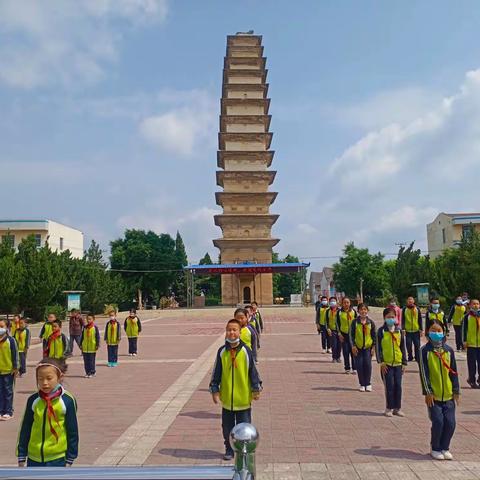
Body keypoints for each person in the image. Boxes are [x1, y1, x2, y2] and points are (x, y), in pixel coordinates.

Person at [209, 319, 262, 461]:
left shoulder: (246, 351)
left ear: (240, 332)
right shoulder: (222, 352)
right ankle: (229, 448)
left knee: (244, 428)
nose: (231, 333)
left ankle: (243, 449)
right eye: (229, 330)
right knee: (227, 427)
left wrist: (256, 388)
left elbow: (253, 372)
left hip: (243, 398)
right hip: (227, 400)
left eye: (234, 330)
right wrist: (215, 389)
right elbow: (216, 373)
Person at [17, 357, 79, 467]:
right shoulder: (33, 400)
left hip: (58, 458)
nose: (44, 383)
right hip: (34, 458)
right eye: (40, 379)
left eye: (49, 378)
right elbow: (25, 428)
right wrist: (21, 455)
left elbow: (72, 431)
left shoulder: (67, 401)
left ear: (60, 378)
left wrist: (70, 457)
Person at [419, 323, 459, 460]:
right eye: (433, 330)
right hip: (434, 395)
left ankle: (445, 447)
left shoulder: (449, 350)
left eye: (439, 330)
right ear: (428, 332)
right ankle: (435, 447)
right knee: (438, 421)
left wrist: (456, 390)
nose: (436, 333)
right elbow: (424, 373)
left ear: (444, 332)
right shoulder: (425, 351)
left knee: (451, 423)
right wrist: (427, 392)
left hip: (448, 394)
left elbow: (454, 371)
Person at [377, 307, 407, 417]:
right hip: (387, 364)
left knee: (398, 386)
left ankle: (397, 408)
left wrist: (404, 362)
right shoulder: (381, 331)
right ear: (384, 318)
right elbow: (378, 347)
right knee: (389, 386)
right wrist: (381, 362)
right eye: (388, 317)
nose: (391, 319)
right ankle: (389, 407)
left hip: (398, 363)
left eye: (393, 317)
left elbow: (403, 347)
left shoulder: (399, 331)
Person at [350, 303, 376, 392]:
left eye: (365, 309)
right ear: (358, 311)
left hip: (368, 348)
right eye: (361, 309)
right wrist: (353, 346)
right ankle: (362, 383)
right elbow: (351, 335)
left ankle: (368, 383)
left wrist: (373, 347)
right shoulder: (355, 322)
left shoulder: (371, 323)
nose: (363, 311)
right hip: (358, 348)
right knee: (359, 366)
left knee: (368, 365)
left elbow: (374, 336)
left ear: (367, 311)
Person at [0, 319, 18, 420]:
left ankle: (8, 411)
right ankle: (1, 410)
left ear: (7, 328)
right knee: (0, 391)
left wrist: (15, 368)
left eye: (2, 326)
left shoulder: (11, 340)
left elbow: (15, 355)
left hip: (8, 370)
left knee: (8, 391)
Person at [462, 299, 480, 388]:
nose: (476, 305)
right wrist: (464, 341)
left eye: (477, 304)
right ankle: (472, 380)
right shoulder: (467, 316)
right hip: (471, 344)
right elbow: (464, 330)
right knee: (472, 364)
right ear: (470, 305)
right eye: (474, 304)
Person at [337, 297, 357, 374]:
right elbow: (337, 323)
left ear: (350, 303)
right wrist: (339, 333)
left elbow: (356, 323)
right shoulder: (339, 312)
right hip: (344, 334)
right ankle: (347, 368)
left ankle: (354, 368)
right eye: (344, 302)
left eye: (347, 302)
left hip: (352, 335)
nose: (346, 304)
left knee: (353, 352)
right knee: (345, 352)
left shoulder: (353, 311)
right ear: (342, 303)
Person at [402, 296, 424, 362]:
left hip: (416, 330)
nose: (410, 302)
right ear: (407, 302)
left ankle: (417, 357)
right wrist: (403, 329)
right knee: (408, 345)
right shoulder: (404, 309)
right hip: (408, 331)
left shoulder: (417, 309)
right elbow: (403, 319)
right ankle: (410, 356)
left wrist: (421, 329)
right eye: (409, 301)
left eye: (411, 300)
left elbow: (420, 319)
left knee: (417, 345)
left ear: (413, 301)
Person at [80, 314, 100, 378]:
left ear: (93, 319)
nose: (88, 320)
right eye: (87, 319)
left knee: (91, 360)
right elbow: (82, 337)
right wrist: (80, 344)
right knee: (86, 361)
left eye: (90, 319)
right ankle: (87, 372)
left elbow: (97, 337)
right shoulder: (85, 328)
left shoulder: (95, 328)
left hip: (92, 347)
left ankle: (92, 372)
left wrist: (97, 345)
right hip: (85, 347)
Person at [326, 297, 341, 363]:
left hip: (340, 331)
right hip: (332, 330)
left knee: (339, 345)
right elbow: (326, 321)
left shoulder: (340, 311)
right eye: (331, 301)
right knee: (334, 345)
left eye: (334, 301)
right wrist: (328, 328)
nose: (333, 302)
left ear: (337, 302)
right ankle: (334, 357)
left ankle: (338, 357)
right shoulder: (328, 311)